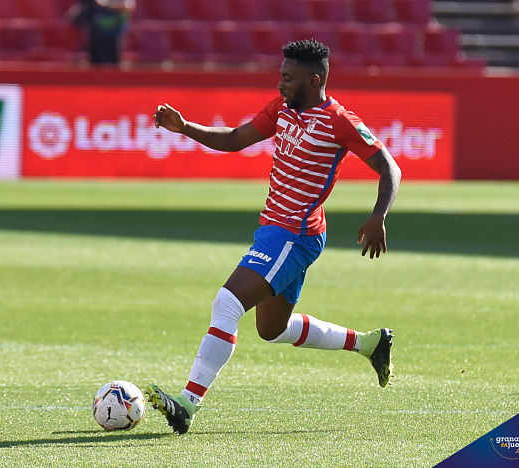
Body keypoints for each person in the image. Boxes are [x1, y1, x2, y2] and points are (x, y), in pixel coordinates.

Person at [146, 39, 402, 435]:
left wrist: (378, 216)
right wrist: (185, 128)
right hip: (275, 229)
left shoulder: (340, 121)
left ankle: (187, 404)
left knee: (226, 303)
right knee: (271, 329)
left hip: (293, 236)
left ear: (313, 80)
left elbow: (389, 167)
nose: (279, 83)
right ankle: (370, 344)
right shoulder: (281, 109)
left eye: (287, 77)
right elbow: (234, 138)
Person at [68, 0, 135, 64]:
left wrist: (108, 6)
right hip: (96, 34)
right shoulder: (90, 6)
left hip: (115, 33)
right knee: (96, 63)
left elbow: (128, 6)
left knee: (113, 63)